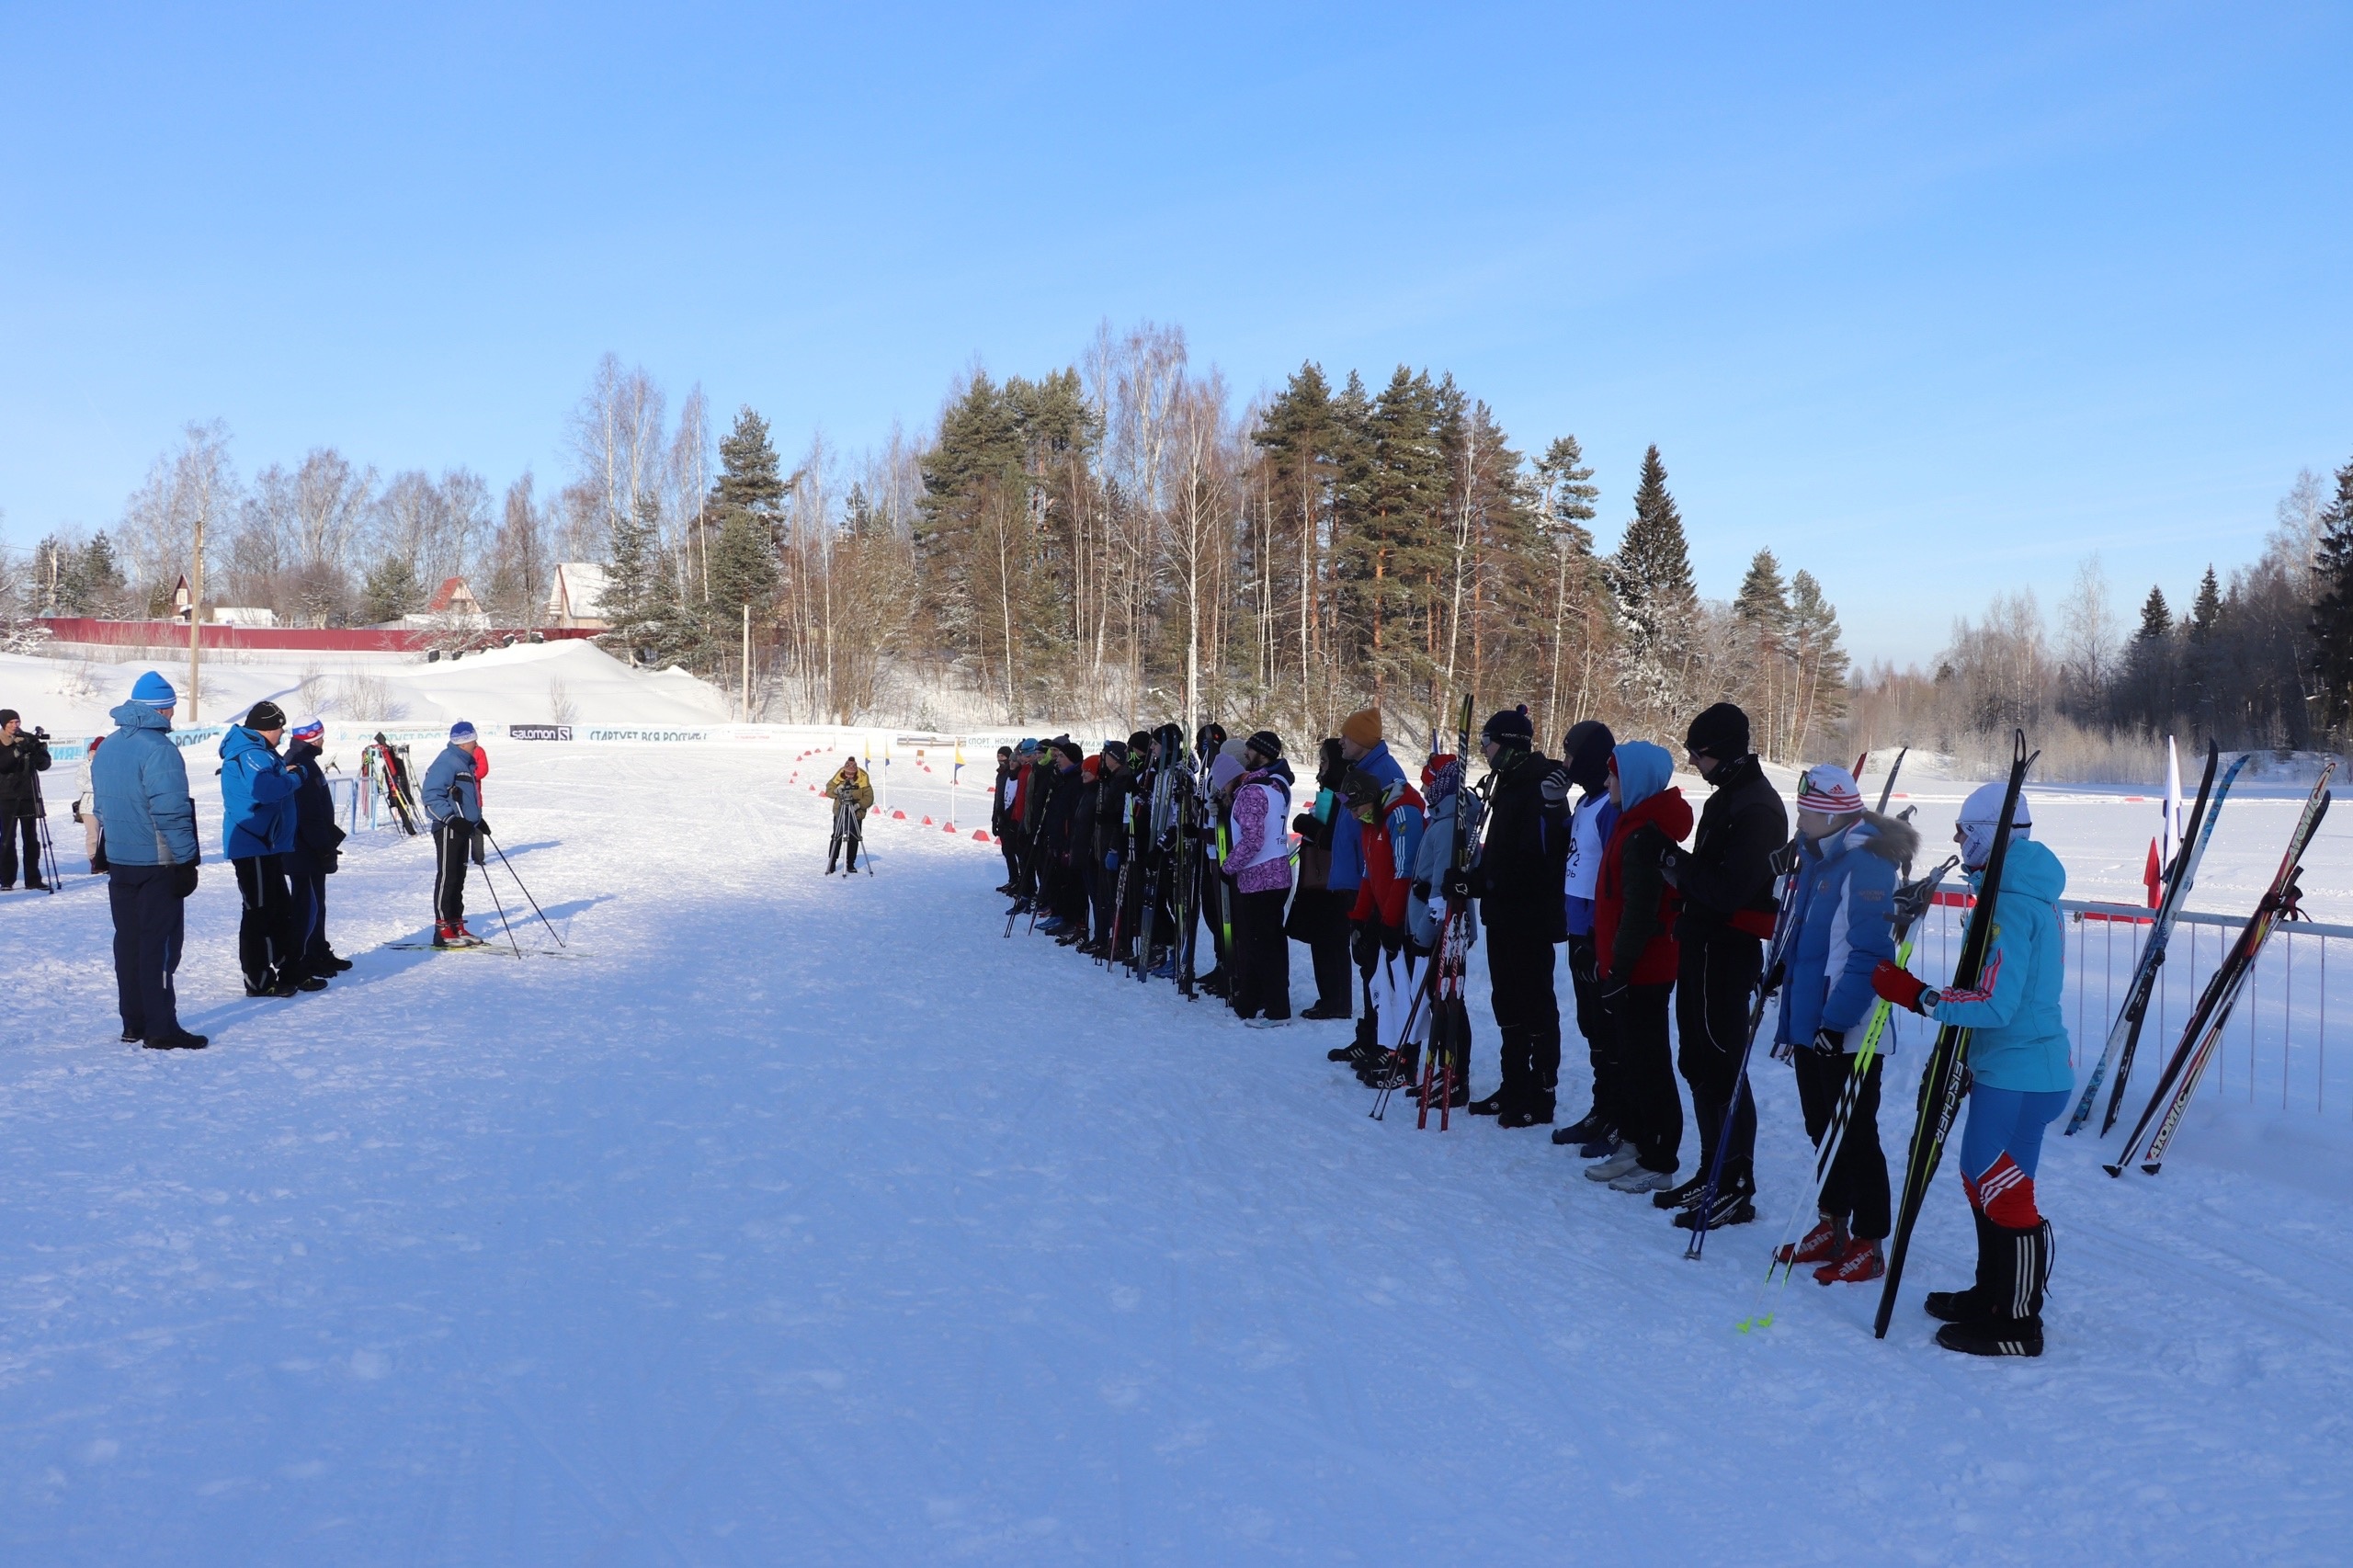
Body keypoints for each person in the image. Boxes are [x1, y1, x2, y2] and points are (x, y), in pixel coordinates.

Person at [1872, 782, 2067, 1358]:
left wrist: (1919, 996)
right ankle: (1994, 1294)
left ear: (1991, 835)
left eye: (1964, 830)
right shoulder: (2015, 891)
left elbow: (1994, 1003)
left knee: (1997, 1184)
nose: (1956, 840)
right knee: (1988, 1181)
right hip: (2020, 1066)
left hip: (2020, 1069)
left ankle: (2017, 1322)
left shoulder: (2009, 904)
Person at [1771, 766, 1912, 1280]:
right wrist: (1780, 974)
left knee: (1854, 1131)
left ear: (1830, 813)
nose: (1799, 816)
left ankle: (1870, 1240)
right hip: (1812, 1018)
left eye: (1807, 808)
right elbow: (1810, 938)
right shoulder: (1817, 858)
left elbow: (1870, 954)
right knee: (1820, 1127)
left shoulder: (1866, 863)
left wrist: (1837, 1020)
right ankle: (1833, 1222)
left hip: (1849, 1026)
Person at [1649, 702, 1788, 1224]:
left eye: (1699, 754)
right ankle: (1713, 1170)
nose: (1695, 764)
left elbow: (1729, 890)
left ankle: (1733, 1181)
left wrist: (1673, 863)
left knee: (1719, 1063)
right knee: (1699, 1061)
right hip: (1703, 944)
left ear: (1725, 753)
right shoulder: (1728, 796)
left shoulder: (1755, 807)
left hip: (1726, 951)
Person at [1586, 742, 1692, 1194]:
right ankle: (1634, 1141)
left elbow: (1640, 912)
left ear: (1635, 781)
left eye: (1615, 775)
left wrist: (1620, 970)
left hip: (1644, 972)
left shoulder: (1644, 831)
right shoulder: (1630, 823)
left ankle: (1660, 1157)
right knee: (1630, 1060)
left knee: (1650, 1064)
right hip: (1626, 967)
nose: (1608, 782)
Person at [1463, 707, 1570, 1128]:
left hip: (1530, 917)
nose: (1484, 751)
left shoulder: (1538, 786)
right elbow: (1503, 853)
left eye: (1487, 743)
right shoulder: (1507, 783)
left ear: (1506, 744)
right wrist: (1475, 877)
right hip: (1503, 914)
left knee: (1534, 1003)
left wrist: (1485, 884)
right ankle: (1514, 1085)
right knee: (1506, 1002)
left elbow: (1538, 861)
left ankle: (1540, 1096)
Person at [89, 672, 206, 1050]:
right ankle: (160, 1027)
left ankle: (133, 1022)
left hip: (121, 859)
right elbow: (171, 810)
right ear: (164, 708)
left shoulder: (108, 746)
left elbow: (101, 806)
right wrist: (187, 861)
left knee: (129, 942)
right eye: (171, 707)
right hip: (157, 863)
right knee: (160, 945)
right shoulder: (159, 748)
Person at [1552, 721, 1620, 1153]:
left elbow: (1612, 877)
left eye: (1571, 754)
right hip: (1579, 932)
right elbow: (1572, 854)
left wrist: (1597, 936)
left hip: (1597, 934)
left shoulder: (1610, 808)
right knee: (1591, 1027)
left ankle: (1618, 1115)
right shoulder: (1585, 803)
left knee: (1610, 1030)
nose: (1565, 762)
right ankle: (1602, 1108)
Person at [1335, 708, 1415, 1067]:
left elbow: (1396, 857)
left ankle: (1384, 1041)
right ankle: (1370, 1036)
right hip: (1364, 883)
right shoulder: (1364, 772)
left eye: (1346, 737)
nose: (1341, 742)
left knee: (1378, 968)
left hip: (1379, 890)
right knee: (1369, 965)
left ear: (1363, 742)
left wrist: (1385, 915)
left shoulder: (1384, 775)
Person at [221, 699, 318, 996]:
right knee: (259, 911)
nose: (282, 733)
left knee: (279, 909)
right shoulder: (250, 753)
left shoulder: (260, 752)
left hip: (266, 843)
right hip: (254, 844)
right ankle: (258, 979)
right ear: (268, 728)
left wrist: (282, 773)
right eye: (280, 727)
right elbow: (266, 790)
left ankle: (290, 968)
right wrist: (295, 776)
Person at [1344, 758, 1427, 1087]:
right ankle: (1389, 1050)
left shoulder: (1400, 814)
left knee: (1403, 990)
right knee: (1386, 987)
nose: (1353, 814)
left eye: (1355, 806)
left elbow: (1404, 872)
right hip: (1385, 913)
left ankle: (1406, 1061)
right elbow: (1369, 873)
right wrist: (1360, 918)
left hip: (1406, 920)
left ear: (1370, 797)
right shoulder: (1370, 820)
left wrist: (1391, 924)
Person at [1405, 750, 1482, 1108]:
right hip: (1437, 925)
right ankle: (1445, 1072)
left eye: (1427, 784)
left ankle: (1457, 1077)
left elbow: (1439, 889)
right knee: (1441, 1002)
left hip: (1443, 930)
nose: (1423, 791)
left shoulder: (1451, 824)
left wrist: (1425, 934)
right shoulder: (1443, 818)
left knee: (1450, 1002)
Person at [1224, 731, 1295, 1025]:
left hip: (1260, 877)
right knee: (1262, 943)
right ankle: (1248, 1002)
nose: (1245, 755)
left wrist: (1228, 866)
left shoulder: (1255, 790)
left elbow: (1253, 840)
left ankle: (1277, 1009)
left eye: (1250, 750)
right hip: (1276, 873)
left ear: (1262, 754)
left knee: (1263, 946)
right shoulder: (1277, 784)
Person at [1288, 738, 1356, 1021]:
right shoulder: (1332, 790)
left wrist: (1306, 824)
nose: (1321, 768)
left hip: (1333, 882)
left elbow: (1331, 836)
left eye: (1325, 762)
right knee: (1326, 941)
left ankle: (1336, 1001)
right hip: (1326, 880)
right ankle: (1332, 998)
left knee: (1331, 941)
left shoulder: (1344, 792)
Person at [285, 718, 352, 977]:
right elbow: (308, 814)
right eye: (320, 736)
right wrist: (323, 847)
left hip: (310, 845)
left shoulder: (307, 761)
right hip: (303, 848)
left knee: (317, 902)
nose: (323, 741)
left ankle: (318, 949)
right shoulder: (300, 763)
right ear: (312, 738)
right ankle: (307, 956)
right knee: (307, 905)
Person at [422, 720, 487, 947]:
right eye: (473, 740)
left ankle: (456, 924)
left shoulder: (464, 762)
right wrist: (451, 819)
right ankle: (442, 928)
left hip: (463, 827)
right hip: (449, 827)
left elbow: (464, 797)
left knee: (459, 877)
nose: (476, 743)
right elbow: (430, 796)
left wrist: (477, 821)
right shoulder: (447, 761)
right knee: (448, 877)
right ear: (463, 742)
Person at [0, 708, 52, 890]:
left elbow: (45, 764)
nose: (15, 726)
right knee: (7, 839)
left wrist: (37, 752)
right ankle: (7, 879)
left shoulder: (28, 738)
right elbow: (3, 765)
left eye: (17, 722)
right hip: (6, 797)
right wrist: (17, 752)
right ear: (3, 724)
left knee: (31, 839)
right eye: (10, 723)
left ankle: (33, 879)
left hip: (29, 795)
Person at [824, 756, 875, 873]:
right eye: (847, 774)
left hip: (856, 813)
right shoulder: (839, 775)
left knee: (854, 837)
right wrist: (836, 790)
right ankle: (832, 862)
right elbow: (829, 789)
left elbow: (869, 797)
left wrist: (858, 805)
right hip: (840, 811)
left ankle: (850, 863)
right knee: (836, 836)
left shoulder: (863, 778)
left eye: (852, 775)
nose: (849, 776)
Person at [991, 746, 1019, 891]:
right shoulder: (1000, 774)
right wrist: (994, 817)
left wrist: (1007, 815)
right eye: (998, 756)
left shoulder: (1012, 774)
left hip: (1010, 818)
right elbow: (997, 797)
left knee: (1012, 849)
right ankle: (1013, 878)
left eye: (1003, 756)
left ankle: (1019, 880)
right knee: (1006, 850)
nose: (1000, 759)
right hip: (1001, 815)